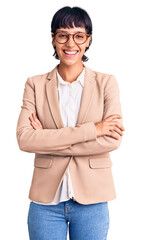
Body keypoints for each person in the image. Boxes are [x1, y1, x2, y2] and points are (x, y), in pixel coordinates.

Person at [16, 6, 125, 240]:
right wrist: (93, 130)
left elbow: (112, 140)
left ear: (88, 40)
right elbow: (25, 139)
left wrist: (46, 139)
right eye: (63, 35)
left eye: (79, 36)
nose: (71, 43)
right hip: (46, 203)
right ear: (53, 39)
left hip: (93, 201)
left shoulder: (106, 83)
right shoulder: (35, 85)